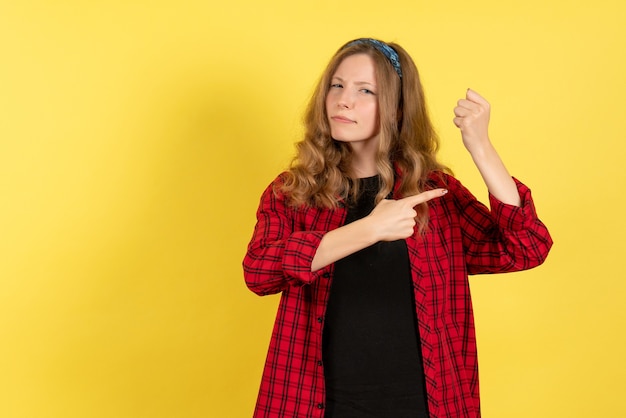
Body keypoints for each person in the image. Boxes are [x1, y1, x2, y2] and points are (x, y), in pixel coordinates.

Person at [242, 38, 552, 418]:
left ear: (397, 108)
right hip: (316, 404)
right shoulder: (295, 190)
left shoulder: (433, 194)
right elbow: (258, 271)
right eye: (336, 86)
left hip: (424, 406)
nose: (343, 100)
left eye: (365, 91)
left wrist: (481, 148)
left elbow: (526, 248)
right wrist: (368, 230)